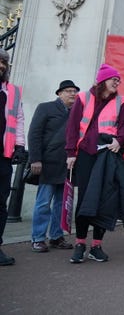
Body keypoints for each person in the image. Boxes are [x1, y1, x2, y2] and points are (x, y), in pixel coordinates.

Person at [65, 64, 124, 264]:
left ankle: (96, 246)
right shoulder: (83, 98)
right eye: (114, 79)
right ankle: (79, 244)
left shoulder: (123, 101)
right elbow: (72, 126)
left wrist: (119, 141)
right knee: (86, 199)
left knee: (105, 201)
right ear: (102, 80)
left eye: (118, 80)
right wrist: (71, 153)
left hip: (108, 156)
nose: (117, 82)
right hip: (86, 155)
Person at [28, 79, 79, 253]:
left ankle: (56, 237)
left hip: (67, 165)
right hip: (47, 163)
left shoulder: (77, 113)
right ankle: (38, 238)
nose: (72, 94)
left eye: (74, 91)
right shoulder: (45, 108)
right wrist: (35, 159)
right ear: (59, 93)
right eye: (68, 91)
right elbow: (34, 134)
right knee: (43, 203)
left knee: (61, 204)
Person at [0, 48, 25, 266]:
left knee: (0, 203)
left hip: (3, 156)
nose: (1, 65)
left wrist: (20, 146)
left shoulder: (14, 92)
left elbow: (18, 119)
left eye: (3, 62)